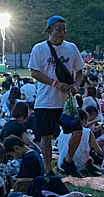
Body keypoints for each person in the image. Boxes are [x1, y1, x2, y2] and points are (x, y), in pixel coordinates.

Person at [28, 15, 84, 176]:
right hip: (46, 101)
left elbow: (80, 70)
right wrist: (55, 83)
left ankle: (68, 160)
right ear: (49, 30)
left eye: (64, 29)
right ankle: (47, 169)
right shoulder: (39, 49)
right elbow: (34, 72)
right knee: (46, 136)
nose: (62, 33)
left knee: (77, 131)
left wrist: (77, 85)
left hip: (67, 102)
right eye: (58, 29)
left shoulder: (71, 48)